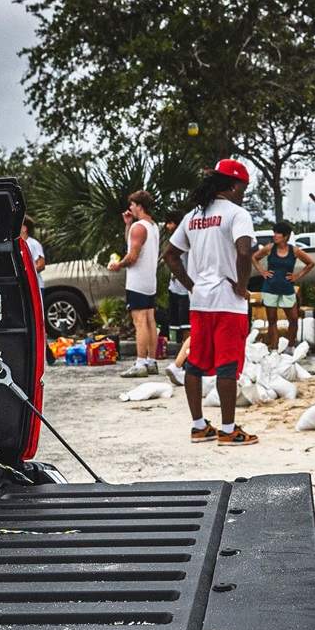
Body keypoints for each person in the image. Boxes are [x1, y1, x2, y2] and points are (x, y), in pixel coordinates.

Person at [164, 159, 259, 446]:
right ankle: (229, 430)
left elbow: (170, 254)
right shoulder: (237, 213)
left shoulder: (193, 216)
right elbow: (244, 252)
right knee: (228, 364)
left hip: (200, 302)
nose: (244, 192)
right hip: (228, 303)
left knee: (195, 363)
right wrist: (242, 286)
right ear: (233, 185)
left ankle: (198, 426)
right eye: (243, 187)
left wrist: (192, 285)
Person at [111, 189, 161, 377]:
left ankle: (140, 362)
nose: (130, 207)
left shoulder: (139, 228)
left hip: (137, 280)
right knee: (150, 320)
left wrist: (118, 265)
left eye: (132, 204)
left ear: (139, 206)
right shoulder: (152, 226)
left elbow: (132, 256)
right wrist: (128, 225)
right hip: (150, 280)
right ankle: (151, 361)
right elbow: (132, 244)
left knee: (139, 321)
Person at [254, 221, 315, 345]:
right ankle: (275, 349)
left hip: (287, 289)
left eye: (278, 233)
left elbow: (311, 263)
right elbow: (254, 258)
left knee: (293, 320)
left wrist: (297, 276)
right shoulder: (270, 248)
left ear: (286, 236)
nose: (275, 235)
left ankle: (290, 347)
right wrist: (262, 272)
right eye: (274, 233)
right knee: (272, 320)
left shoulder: (295, 251)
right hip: (270, 288)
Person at [160, 213, 194, 385]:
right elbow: (168, 257)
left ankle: (185, 362)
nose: (168, 226)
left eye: (171, 223)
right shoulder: (174, 241)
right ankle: (183, 362)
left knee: (190, 328)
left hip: (186, 291)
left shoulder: (186, 239)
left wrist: (190, 286)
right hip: (176, 288)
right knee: (182, 328)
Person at [21, 216, 46, 286]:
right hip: (24, 286)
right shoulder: (17, 244)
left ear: (24, 228)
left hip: (36, 286)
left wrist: (25, 274)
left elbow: (41, 265)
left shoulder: (34, 243)